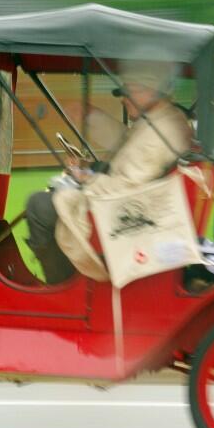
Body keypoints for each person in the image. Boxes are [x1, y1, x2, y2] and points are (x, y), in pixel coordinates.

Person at [26, 60, 193, 284]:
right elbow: (127, 147)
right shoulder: (161, 120)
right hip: (136, 209)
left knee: (38, 206)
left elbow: (128, 187)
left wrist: (87, 179)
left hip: (126, 216)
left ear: (149, 91)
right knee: (53, 196)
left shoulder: (161, 130)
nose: (122, 98)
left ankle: (59, 284)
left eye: (126, 91)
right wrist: (91, 121)